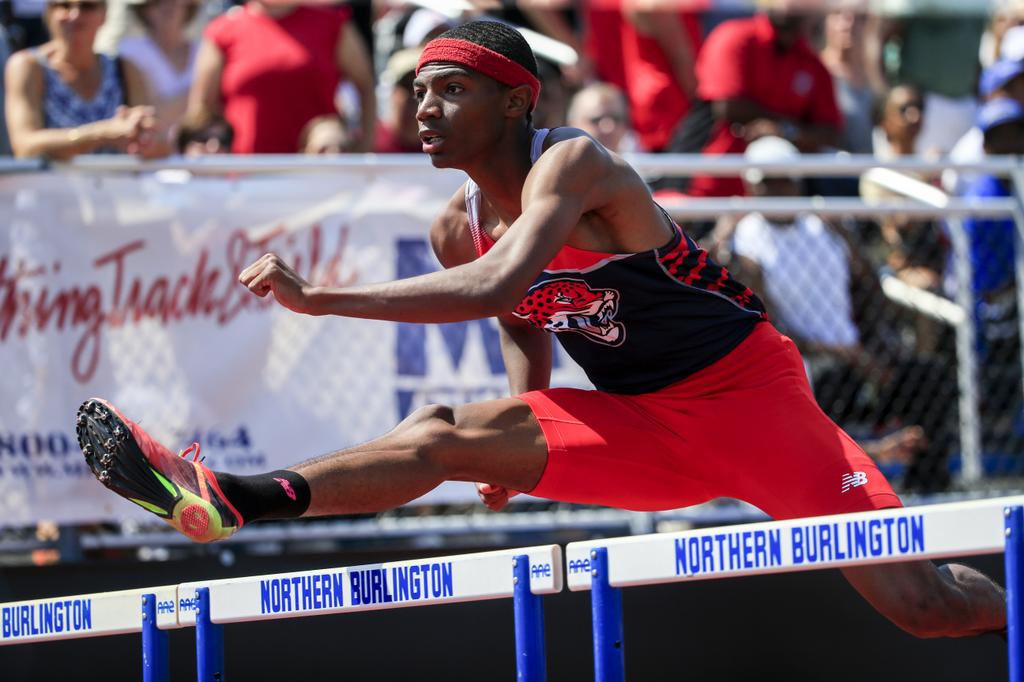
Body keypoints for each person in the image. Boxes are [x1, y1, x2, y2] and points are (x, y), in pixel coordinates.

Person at [76, 20, 1005, 640]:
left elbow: (500, 280)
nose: (423, 110)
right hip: (641, 421)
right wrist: (530, 433)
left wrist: (324, 299)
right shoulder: (454, 219)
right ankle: (234, 498)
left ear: (517, 101)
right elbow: (521, 317)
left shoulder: (577, 164)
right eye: (416, 94)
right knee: (443, 436)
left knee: (923, 607)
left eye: (447, 91)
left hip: (752, 402)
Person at [186, 1, 375, 153]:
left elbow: (366, 86)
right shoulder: (223, 30)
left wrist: (363, 148)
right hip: (244, 176)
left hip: (317, 173)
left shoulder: (331, 23)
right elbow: (202, 109)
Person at [4, 0, 157, 159]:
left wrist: (142, 132)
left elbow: (157, 146)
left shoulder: (125, 69)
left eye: (87, 6)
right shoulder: (28, 66)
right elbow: (25, 147)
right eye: (64, 6)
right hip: (46, 183)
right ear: (49, 14)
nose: (75, 15)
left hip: (116, 182)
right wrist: (102, 133)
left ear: (104, 15)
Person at [118, 0, 199, 127]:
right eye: (157, 2)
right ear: (144, 9)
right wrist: (202, 93)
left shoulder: (204, 49)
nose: (167, 6)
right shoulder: (130, 51)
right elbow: (147, 119)